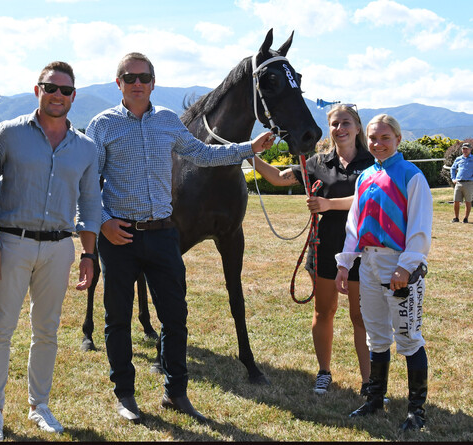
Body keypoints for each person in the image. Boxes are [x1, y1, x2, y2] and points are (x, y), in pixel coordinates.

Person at [86, 52, 274, 424]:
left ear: (153, 83)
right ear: (118, 82)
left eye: (144, 77)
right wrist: (105, 221)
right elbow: (87, 182)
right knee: (118, 319)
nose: (137, 82)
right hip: (119, 236)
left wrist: (247, 149)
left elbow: (202, 154)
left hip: (162, 234)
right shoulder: (102, 125)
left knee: (176, 317)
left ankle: (176, 392)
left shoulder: (169, 122)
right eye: (129, 77)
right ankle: (125, 394)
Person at [0, 61, 100, 440]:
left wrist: (88, 254)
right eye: (51, 88)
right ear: (37, 90)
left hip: (59, 248)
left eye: (65, 90)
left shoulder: (85, 147)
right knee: (1, 328)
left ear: (73, 96)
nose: (57, 95)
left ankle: (39, 406)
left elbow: (91, 203)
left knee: (46, 331)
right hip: (12, 243)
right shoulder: (9, 133)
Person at [249, 104, 374, 396]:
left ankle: (369, 382)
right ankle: (323, 372)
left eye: (345, 123)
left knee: (361, 318)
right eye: (334, 123)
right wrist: (250, 157)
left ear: (357, 127)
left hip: (364, 251)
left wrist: (329, 204)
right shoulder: (316, 162)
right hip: (325, 247)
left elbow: (368, 200)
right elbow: (279, 178)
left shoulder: (373, 164)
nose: (339, 129)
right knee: (323, 311)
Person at [335, 114, 432, 431]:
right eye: (373, 138)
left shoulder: (411, 176)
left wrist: (406, 266)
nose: (377, 143)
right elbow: (355, 224)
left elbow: (419, 226)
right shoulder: (365, 177)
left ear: (398, 140)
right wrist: (345, 263)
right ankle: (375, 399)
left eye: (385, 138)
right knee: (377, 336)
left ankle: (416, 411)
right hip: (369, 264)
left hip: (400, 266)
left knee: (408, 337)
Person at [450, 142, 473, 223]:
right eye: (463, 149)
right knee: (456, 201)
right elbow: (452, 169)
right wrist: (453, 178)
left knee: (468, 201)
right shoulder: (458, 159)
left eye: (467, 148)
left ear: (470, 149)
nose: (465, 150)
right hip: (458, 183)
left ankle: (466, 218)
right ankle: (456, 218)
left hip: (469, 183)